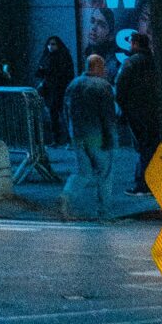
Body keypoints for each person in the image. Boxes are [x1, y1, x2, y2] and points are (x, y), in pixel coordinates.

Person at [61, 53, 120, 220]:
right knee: (105, 173)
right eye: (103, 66)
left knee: (83, 172)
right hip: (97, 136)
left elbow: (66, 111)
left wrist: (70, 134)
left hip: (77, 135)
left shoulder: (74, 84)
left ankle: (67, 195)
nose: (106, 70)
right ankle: (104, 212)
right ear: (97, 67)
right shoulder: (103, 86)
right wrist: (111, 139)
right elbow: (108, 116)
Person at [116, 33, 162, 194]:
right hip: (154, 110)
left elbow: (120, 87)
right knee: (152, 145)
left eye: (131, 42)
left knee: (143, 147)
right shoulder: (154, 61)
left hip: (136, 111)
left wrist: (123, 109)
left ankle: (143, 184)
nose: (129, 45)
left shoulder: (130, 63)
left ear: (136, 44)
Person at [34, 35, 75, 145]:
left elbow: (67, 74)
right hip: (50, 89)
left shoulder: (63, 57)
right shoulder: (46, 56)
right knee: (53, 114)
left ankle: (68, 140)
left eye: (53, 44)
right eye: (49, 44)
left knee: (63, 114)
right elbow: (39, 73)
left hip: (60, 89)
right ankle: (56, 139)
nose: (50, 47)